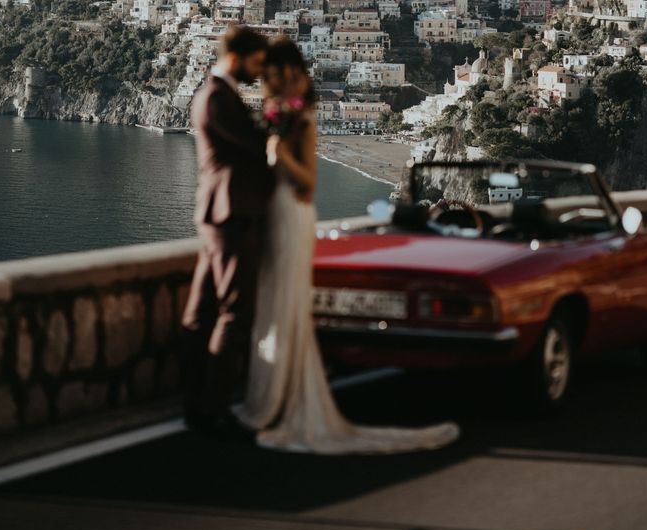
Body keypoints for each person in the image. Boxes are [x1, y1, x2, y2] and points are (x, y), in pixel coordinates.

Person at [238, 38, 459, 454]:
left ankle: (288, 399)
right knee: (273, 302)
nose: (271, 81)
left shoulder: (301, 122)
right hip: (273, 216)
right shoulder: (281, 119)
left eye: (277, 74)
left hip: (293, 216)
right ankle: (271, 396)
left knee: (287, 300)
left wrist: (278, 155)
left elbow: (306, 183)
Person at [181, 25, 273, 436]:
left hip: (219, 214)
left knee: (200, 315)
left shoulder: (216, 95)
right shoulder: (218, 98)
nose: (259, 70)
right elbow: (254, 148)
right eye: (256, 62)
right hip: (230, 213)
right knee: (235, 314)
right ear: (237, 56)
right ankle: (213, 409)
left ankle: (196, 404)